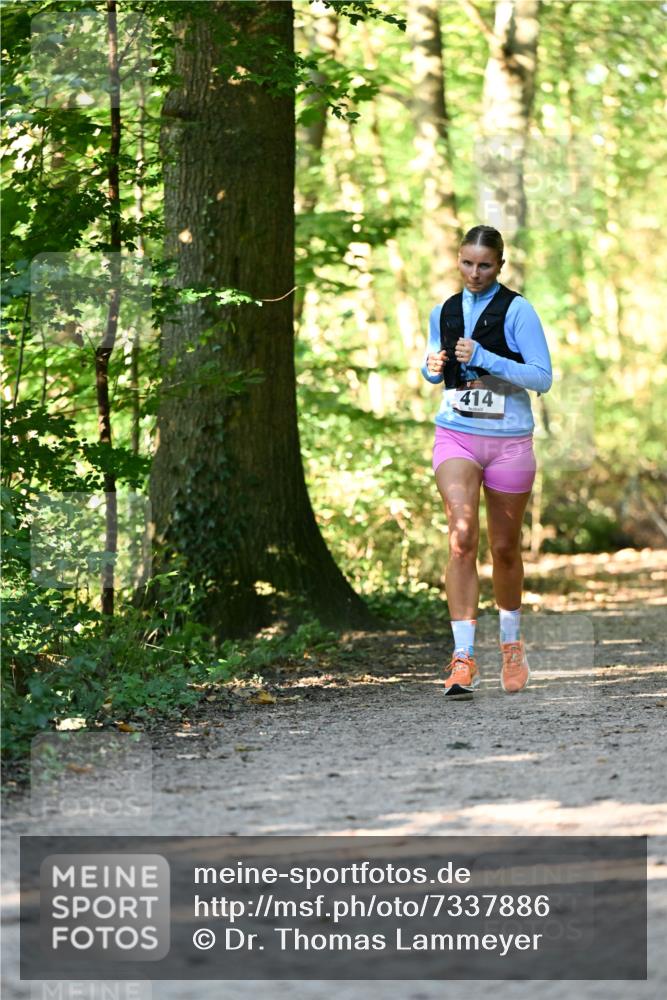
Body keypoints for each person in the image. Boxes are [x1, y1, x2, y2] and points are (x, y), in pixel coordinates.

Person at [421, 225, 552, 699]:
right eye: (467, 263)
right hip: (456, 435)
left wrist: (488, 358)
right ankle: (463, 657)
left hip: (510, 443)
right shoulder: (444, 310)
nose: (474, 273)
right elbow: (431, 364)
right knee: (461, 538)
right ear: (457, 260)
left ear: (500, 265)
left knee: (504, 548)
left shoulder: (519, 311)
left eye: (485, 265)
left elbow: (542, 377)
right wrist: (430, 368)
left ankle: (512, 645)